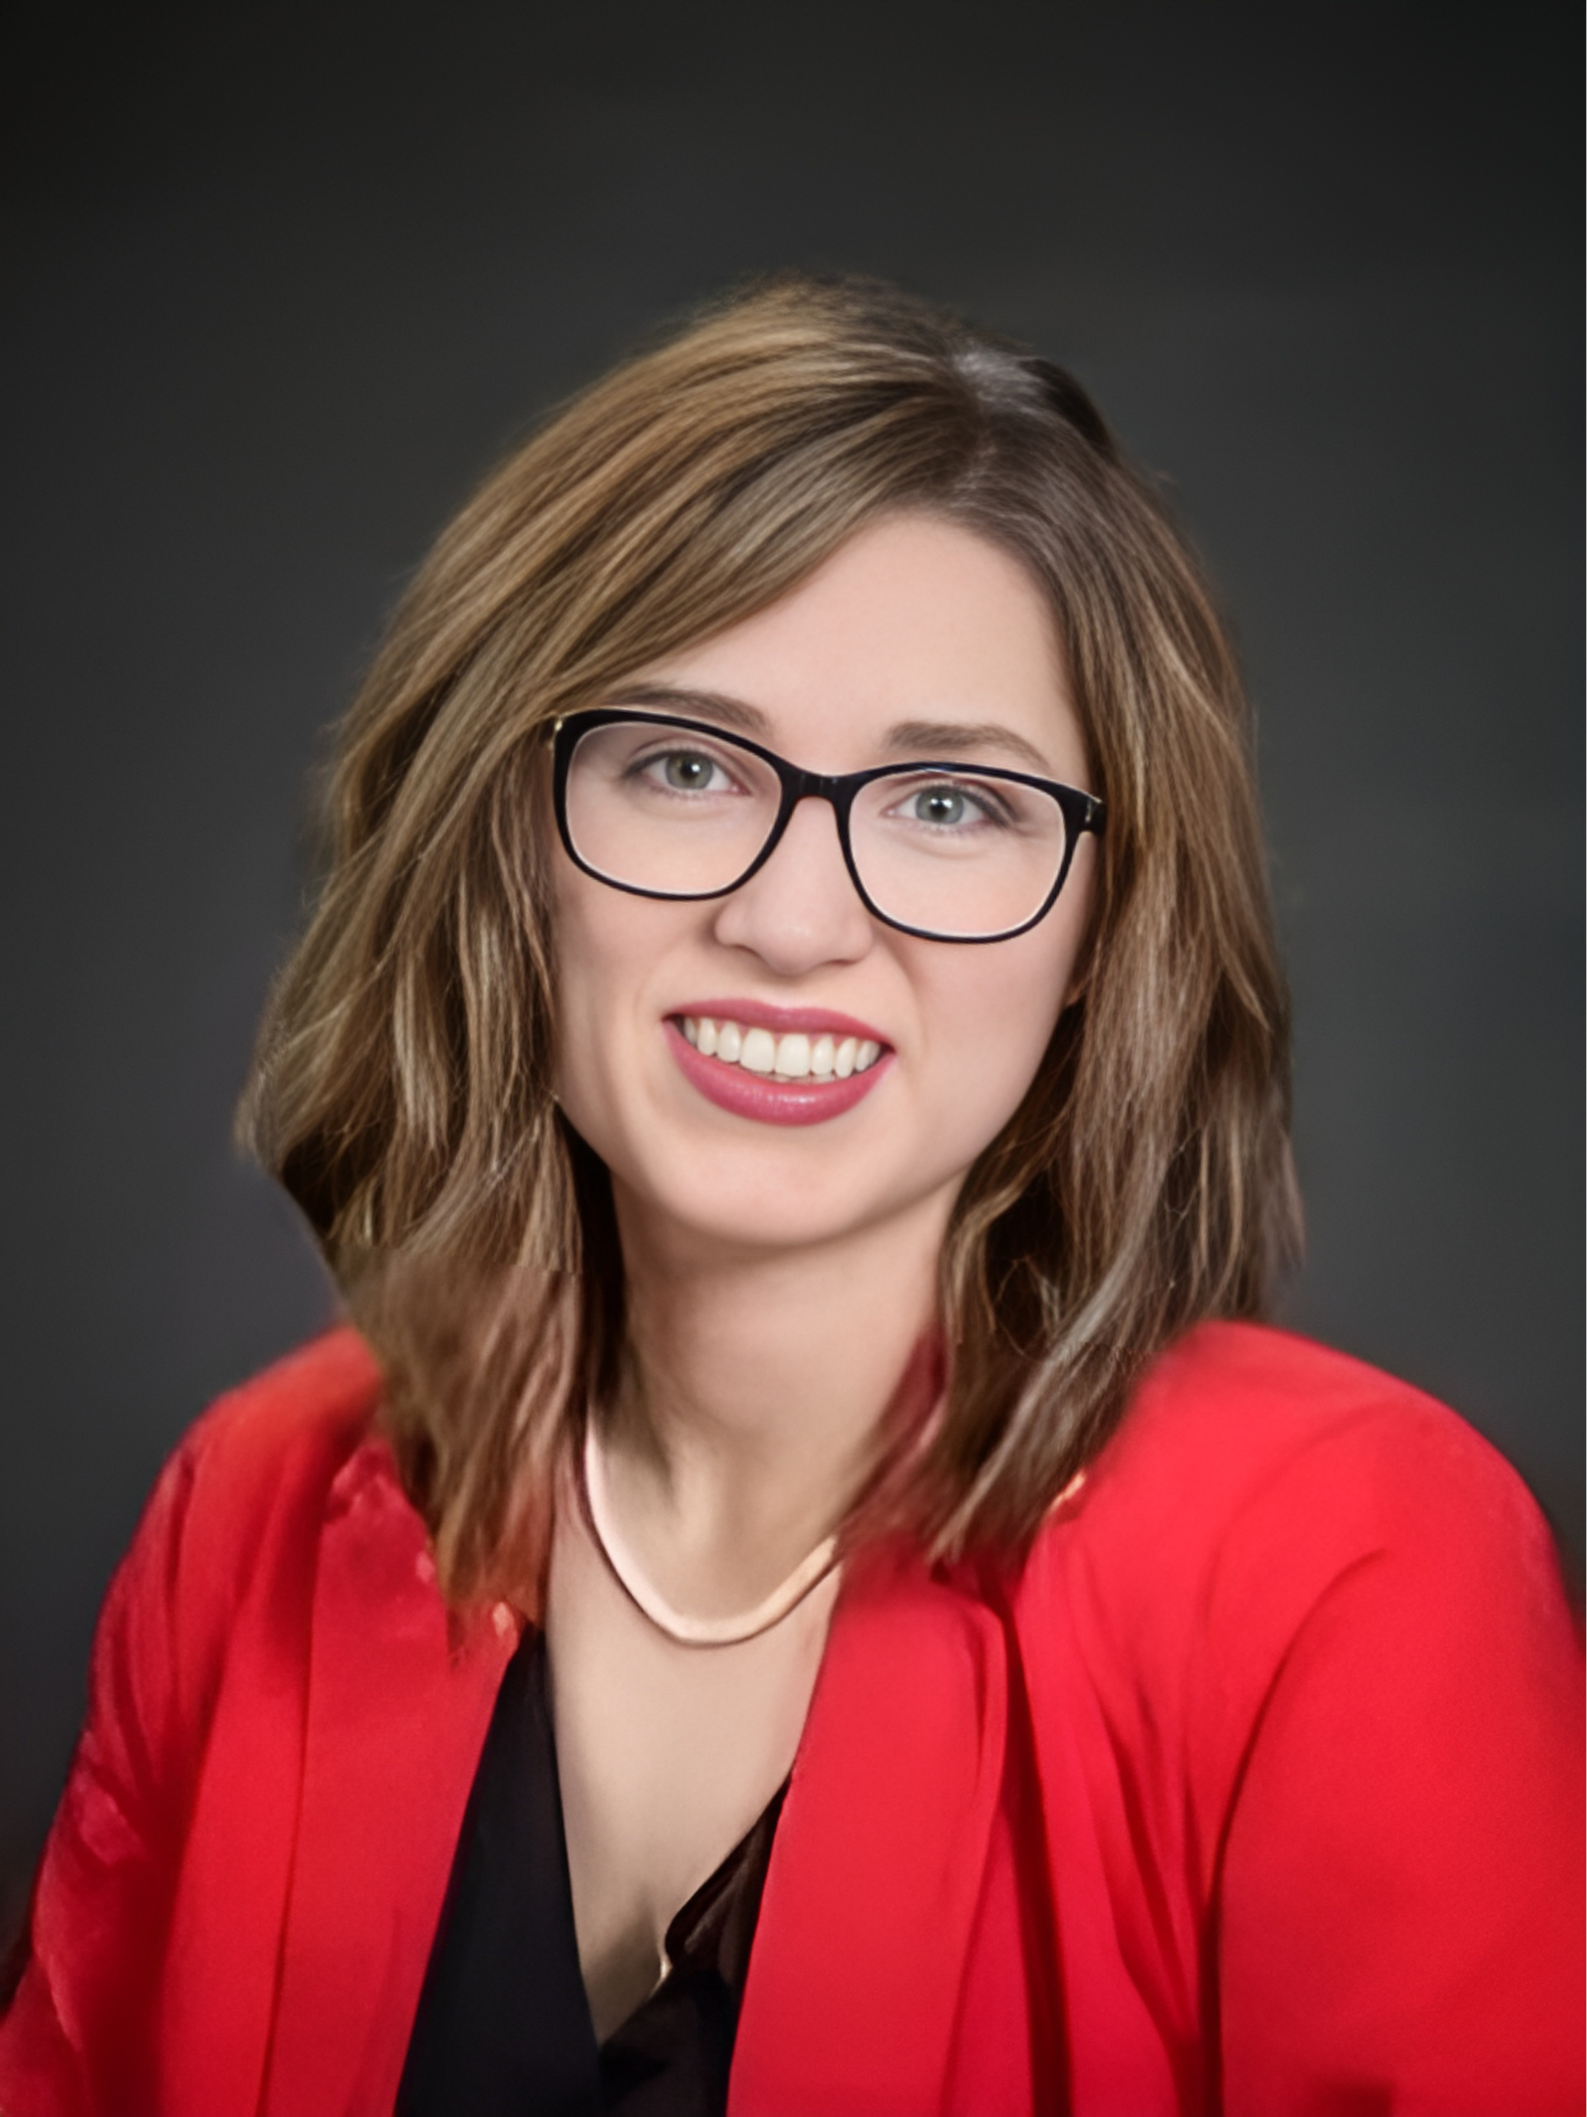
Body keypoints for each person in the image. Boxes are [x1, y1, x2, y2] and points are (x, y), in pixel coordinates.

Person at [1, 276, 1579, 2117]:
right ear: (504, 834)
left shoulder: (1346, 1573)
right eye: (682, 763)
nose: (790, 920)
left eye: (948, 806)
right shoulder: (247, 1516)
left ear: (1100, 929)